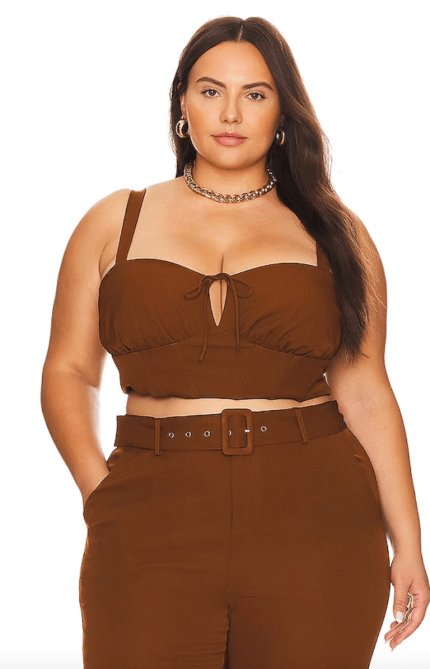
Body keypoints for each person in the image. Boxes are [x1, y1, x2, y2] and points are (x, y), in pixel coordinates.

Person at [40, 15, 429, 669]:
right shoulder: (115, 221)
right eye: (210, 90)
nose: (230, 113)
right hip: (149, 508)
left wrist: (408, 543)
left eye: (255, 94)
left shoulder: (337, 233)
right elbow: (69, 370)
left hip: (314, 511)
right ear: (182, 105)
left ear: (282, 113)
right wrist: (97, 489)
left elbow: (366, 390)